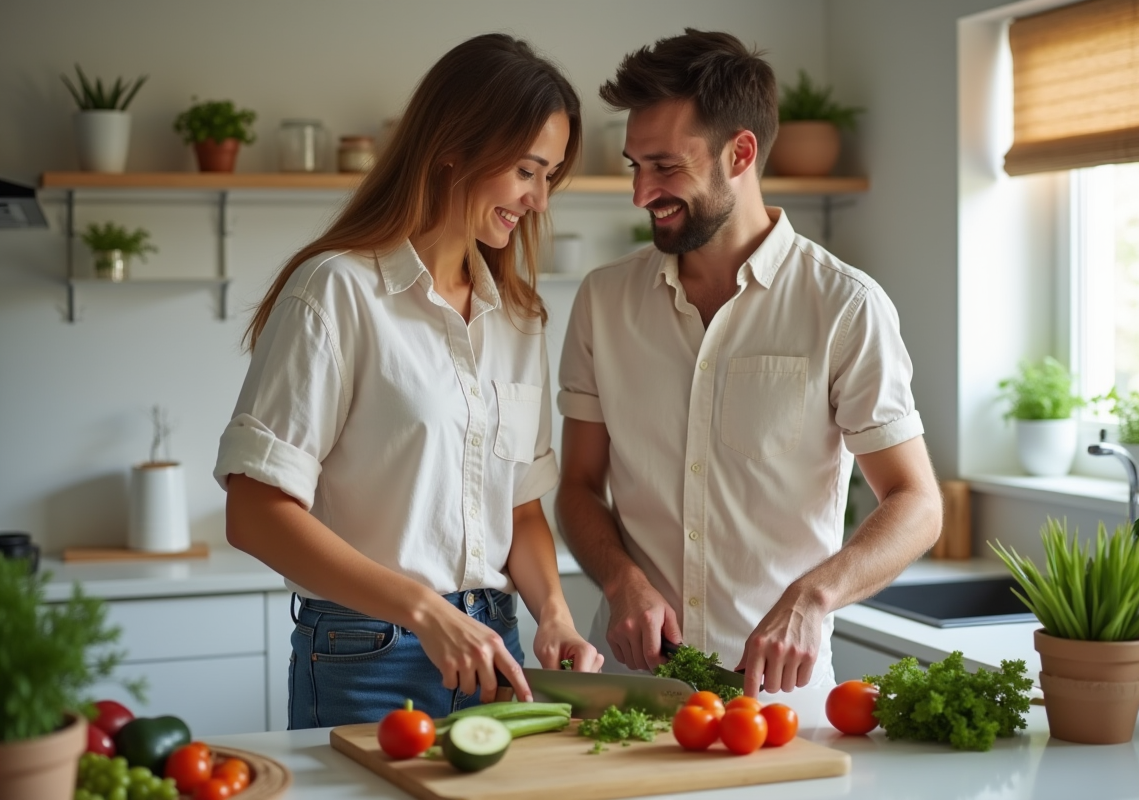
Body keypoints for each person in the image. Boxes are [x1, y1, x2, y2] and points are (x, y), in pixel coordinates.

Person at [214, 33, 601, 730]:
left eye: (550, 177)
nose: (539, 200)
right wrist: (425, 611)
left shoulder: (518, 318)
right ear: (455, 144)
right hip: (367, 655)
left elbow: (517, 512)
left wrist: (555, 614)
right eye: (526, 170)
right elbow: (253, 510)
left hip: (497, 654)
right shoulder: (335, 292)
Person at [556, 29, 942, 706]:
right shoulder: (603, 300)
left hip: (778, 704)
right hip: (631, 695)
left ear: (741, 153)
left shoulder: (844, 306)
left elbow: (917, 503)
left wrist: (813, 597)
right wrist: (622, 582)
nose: (642, 193)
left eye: (666, 167)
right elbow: (579, 486)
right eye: (633, 166)